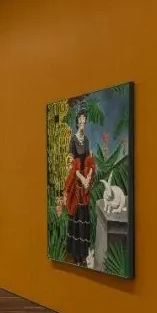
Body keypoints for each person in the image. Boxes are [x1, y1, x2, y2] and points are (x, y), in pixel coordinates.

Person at [65, 109, 96, 265]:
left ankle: (83, 256)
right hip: (76, 181)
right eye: (81, 120)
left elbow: (89, 161)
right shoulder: (73, 140)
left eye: (85, 120)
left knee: (84, 216)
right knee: (77, 217)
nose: (83, 123)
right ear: (77, 122)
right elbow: (72, 166)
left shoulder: (87, 140)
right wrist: (82, 179)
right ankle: (76, 256)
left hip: (85, 184)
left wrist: (88, 176)